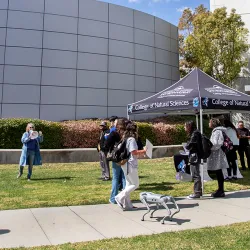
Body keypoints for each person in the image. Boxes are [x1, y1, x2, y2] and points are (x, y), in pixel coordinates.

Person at [115, 122, 147, 210]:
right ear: (135, 130)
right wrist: (144, 151)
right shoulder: (132, 139)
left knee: (128, 184)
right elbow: (134, 152)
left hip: (125, 164)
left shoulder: (125, 138)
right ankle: (119, 197)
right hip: (130, 164)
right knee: (135, 184)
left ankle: (127, 205)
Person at [105, 118, 126, 204]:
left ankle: (113, 198)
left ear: (117, 125)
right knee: (124, 178)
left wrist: (110, 150)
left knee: (116, 178)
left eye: (115, 123)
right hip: (125, 157)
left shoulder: (114, 133)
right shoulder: (127, 134)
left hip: (116, 157)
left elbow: (106, 144)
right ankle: (124, 198)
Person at [207, 118, 229, 198]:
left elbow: (216, 143)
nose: (208, 123)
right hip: (217, 153)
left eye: (209, 122)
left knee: (219, 171)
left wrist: (209, 147)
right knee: (218, 172)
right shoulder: (217, 131)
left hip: (217, 154)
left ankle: (221, 190)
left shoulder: (217, 131)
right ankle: (220, 190)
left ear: (213, 123)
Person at [184, 121, 203, 199]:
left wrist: (187, 145)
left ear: (189, 126)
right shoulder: (196, 133)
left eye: (185, 126)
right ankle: (199, 191)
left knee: (195, 174)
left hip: (194, 155)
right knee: (196, 173)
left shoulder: (194, 134)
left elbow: (189, 145)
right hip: (195, 154)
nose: (184, 128)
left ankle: (197, 192)